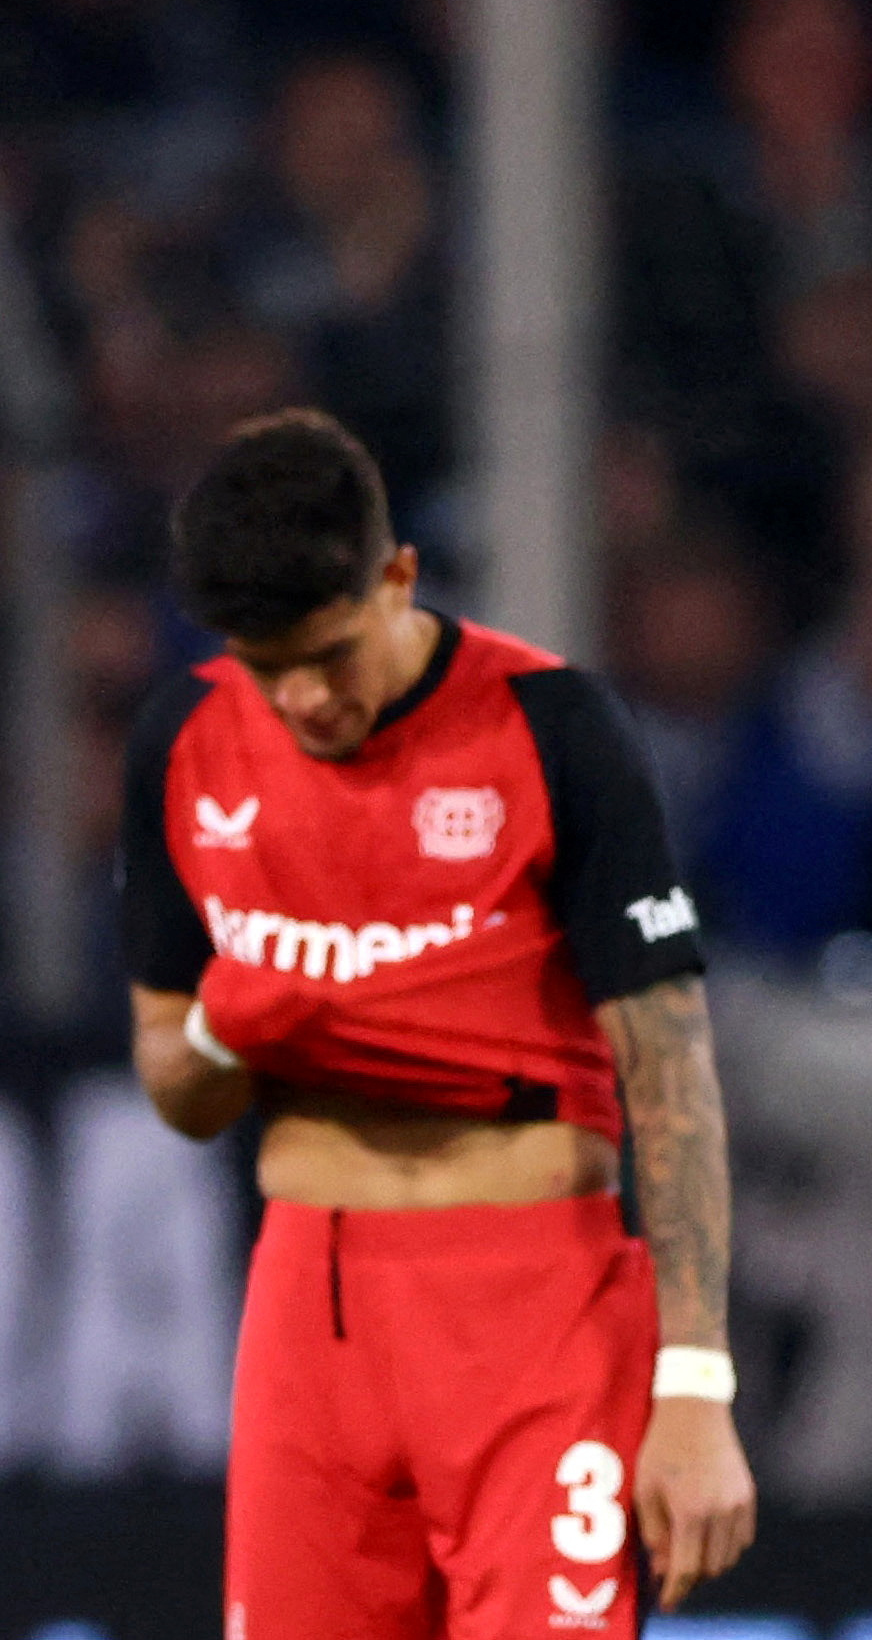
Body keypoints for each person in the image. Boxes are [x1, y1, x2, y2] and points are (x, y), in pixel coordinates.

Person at [122, 410, 757, 1636]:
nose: (303, 697)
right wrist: (220, 1034)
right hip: (310, 1304)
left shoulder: (551, 726)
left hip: (535, 1300)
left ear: (398, 575)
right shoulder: (183, 742)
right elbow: (173, 1085)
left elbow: (669, 1068)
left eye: (329, 652)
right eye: (267, 665)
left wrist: (693, 1381)